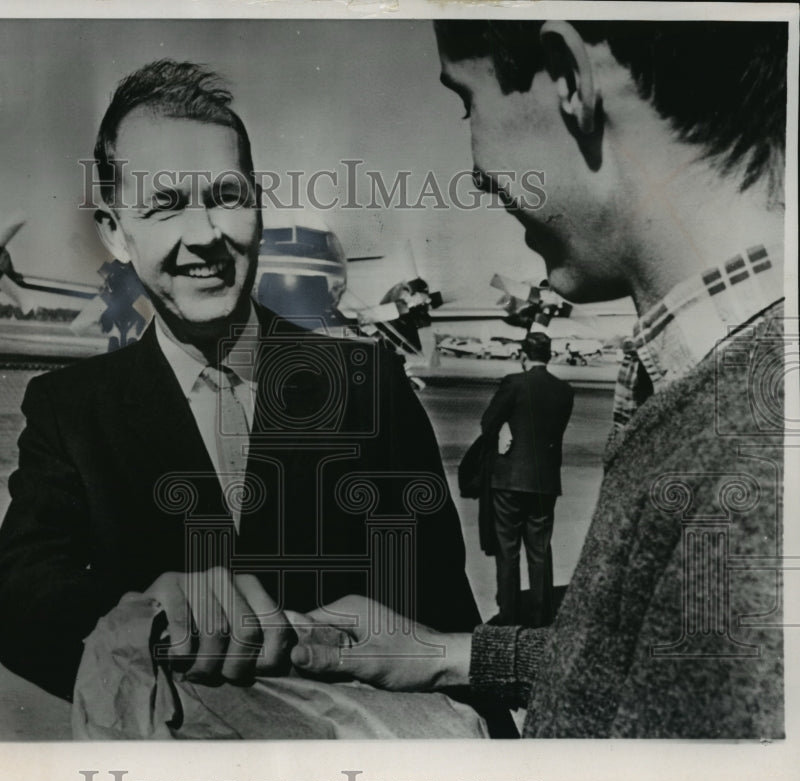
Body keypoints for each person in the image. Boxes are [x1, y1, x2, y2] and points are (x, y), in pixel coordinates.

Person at [292, 20, 786, 738]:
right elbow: (638, 663)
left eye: (469, 101)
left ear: (568, 79)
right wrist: (439, 653)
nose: (475, 172)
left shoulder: (757, 468)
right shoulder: (730, 390)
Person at [0, 60, 479, 703]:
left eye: (226, 197)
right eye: (164, 205)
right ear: (115, 233)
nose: (204, 236)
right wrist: (141, 614)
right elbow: (15, 589)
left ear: (258, 208)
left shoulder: (366, 382)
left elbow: (443, 613)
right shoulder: (69, 409)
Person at [480, 331, 573, 627]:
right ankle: (541, 614)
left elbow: (488, 422)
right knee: (540, 550)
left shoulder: (514, 383)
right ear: (550, 355)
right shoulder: (564, 390)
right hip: (545, 481)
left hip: (508, 479)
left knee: (508, 551)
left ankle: (509, 614)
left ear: (522, 355)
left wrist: (507, 425)